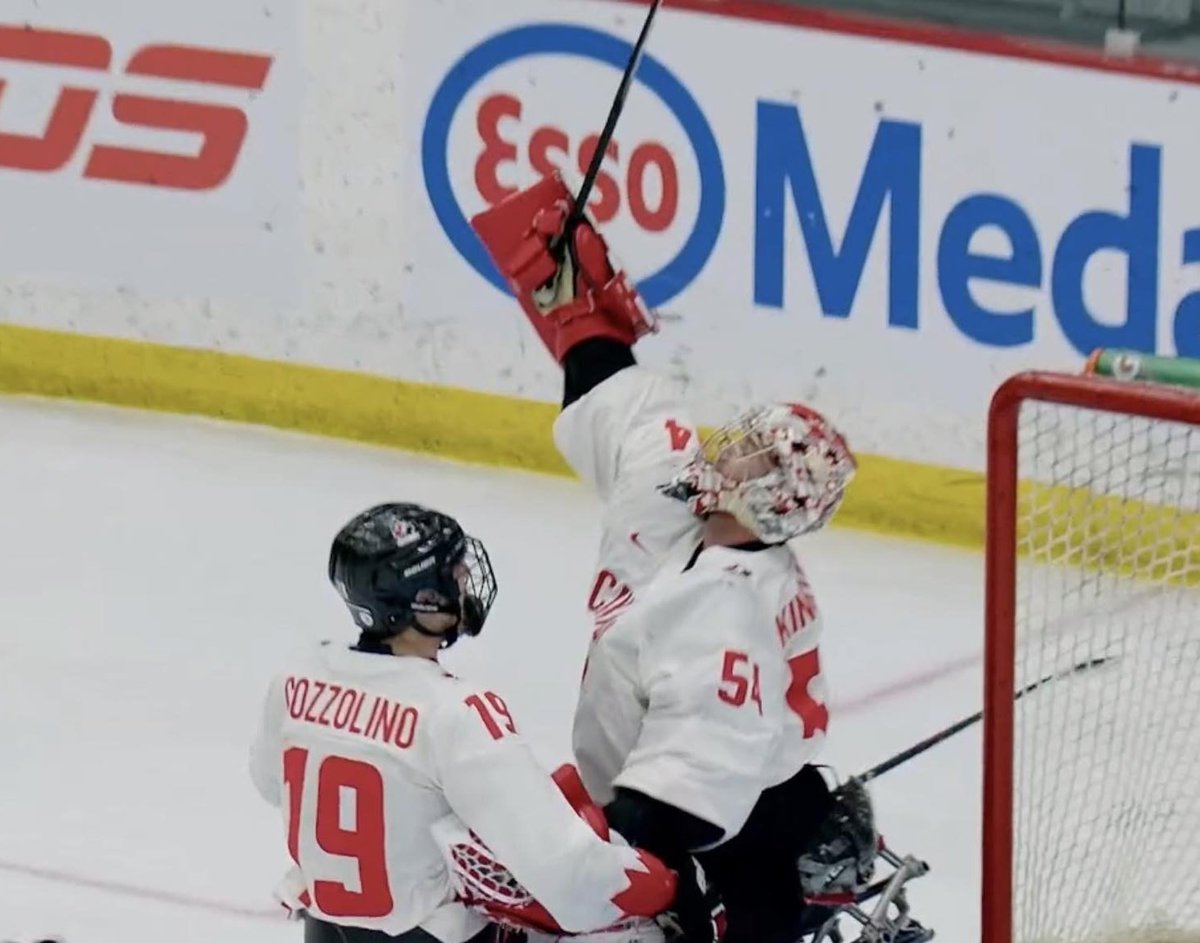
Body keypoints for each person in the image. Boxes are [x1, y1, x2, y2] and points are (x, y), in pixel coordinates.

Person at [470, 175, 880, 943]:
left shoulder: (731, 612)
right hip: (699, 778)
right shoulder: (686, 492)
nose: (731, 448)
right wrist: (573, 308)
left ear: (778, 503)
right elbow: (630, 409)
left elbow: (680, 791)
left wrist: (592, 858)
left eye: (756, 458)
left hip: (736, 827)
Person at [249, 502, 677, 943]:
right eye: (452, 574)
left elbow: (270, 783)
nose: (464, 582)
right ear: (421, 598)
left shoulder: (294, 683)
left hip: (325, 932)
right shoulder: (453, 712)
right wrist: (658, 884)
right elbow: (566, 872)